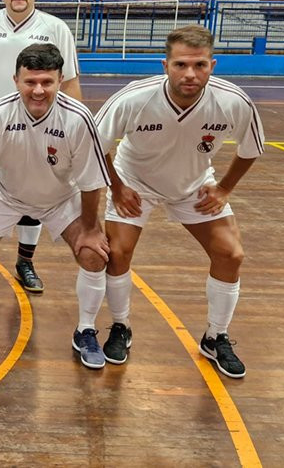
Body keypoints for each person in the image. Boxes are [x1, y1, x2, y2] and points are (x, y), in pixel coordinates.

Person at [95, 25, 264, 378]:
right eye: (181, 65)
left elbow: (251, 149)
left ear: (212, 65)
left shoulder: (233, 101)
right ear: (165, 65)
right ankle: (121, 326)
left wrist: (224, 188)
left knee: (231, 253)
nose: (190, 74)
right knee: (118, 252)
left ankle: (216, 336)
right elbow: (96, 144)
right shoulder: (134, 98)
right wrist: (118, 186)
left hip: (193, 185)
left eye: (199, 65)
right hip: (136, 183)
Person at [0, 43, 111, 365]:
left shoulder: (79, 118)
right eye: (30, 82)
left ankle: (86, 329)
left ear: (60, 80)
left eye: (47, 82)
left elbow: (91, 181)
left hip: (60, 198)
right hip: (6, 194)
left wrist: (90, 229)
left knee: (94, 254)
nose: (39, 90)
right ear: (16, 80)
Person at [0, 0, 82, 293]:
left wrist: (75, 129)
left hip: (43, 126)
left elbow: (70, 81)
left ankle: (25, 262)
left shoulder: (55, 27)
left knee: (35, 194)